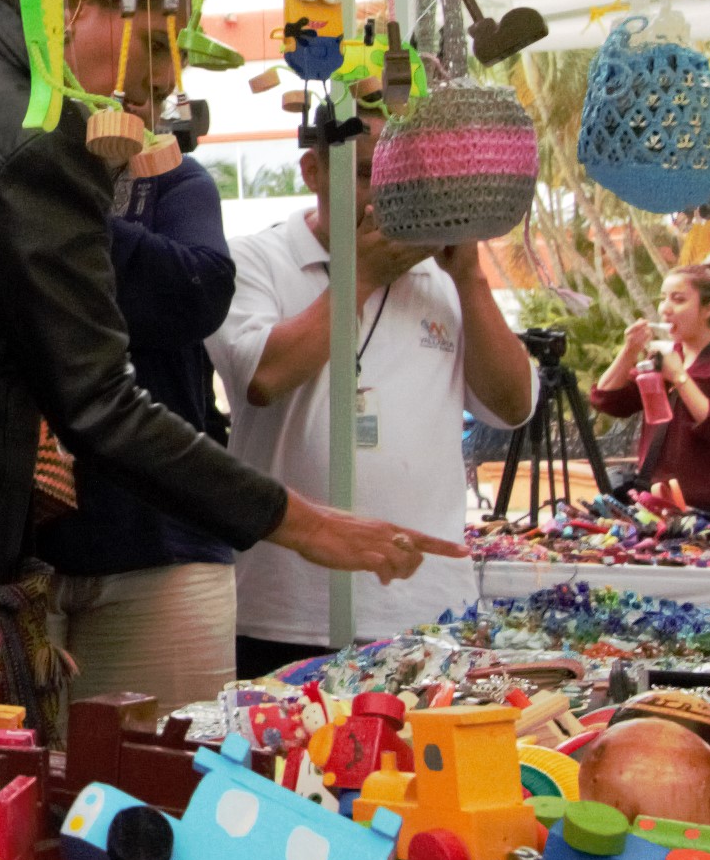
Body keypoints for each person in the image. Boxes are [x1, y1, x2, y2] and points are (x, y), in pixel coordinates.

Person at [0, 0, 443, 746]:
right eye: (156, 43)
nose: (165, 80)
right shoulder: (37, 135)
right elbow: (100, 405)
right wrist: (302, 523)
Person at [215, 102, 530, 672]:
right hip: (286, 608)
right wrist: (360, 277)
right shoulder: (254, 259)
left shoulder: (444, 276)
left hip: (427, 609)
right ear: (313, 172)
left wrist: (469, 276)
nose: (387, 192)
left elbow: (512, 406)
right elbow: (264, 377)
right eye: (365, 172)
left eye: (405, 174)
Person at [40, 0, 247, 717]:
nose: (164, 77)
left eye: (174, 51)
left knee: (164, 793)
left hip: (161, 547)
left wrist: (67, 208)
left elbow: (197, 294)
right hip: (28, 556)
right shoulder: (31, 161)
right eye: (153, 44)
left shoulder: (179, 178)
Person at [588, 265, 710, 536]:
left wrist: (679, 376)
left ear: (709, 309)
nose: (665, 309)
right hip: (654, 504)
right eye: (663, 298)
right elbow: (606, 399)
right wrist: (629, 350)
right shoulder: (665, 357)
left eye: (679, 299)